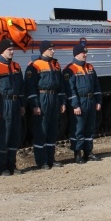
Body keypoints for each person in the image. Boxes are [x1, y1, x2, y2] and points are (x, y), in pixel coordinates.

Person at [0, 38, 25, 176]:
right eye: (10, 49)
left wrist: (21, 104)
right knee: (3, 136)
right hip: (3, 104)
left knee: (14, 135)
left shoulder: (17, 66)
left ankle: (12, 165)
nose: (12, 52)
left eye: (13, 49)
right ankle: (1, 168)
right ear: (2, 50)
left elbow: (20, 88)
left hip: (14, 104)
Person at [24, 40, 66, 169]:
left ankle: (51, 159)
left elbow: (61, 86)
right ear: (43, 50)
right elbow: (30, 87)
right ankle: (41, 161)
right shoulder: (34, 66)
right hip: (42, 98)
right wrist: (35, 105)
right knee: (41, 130)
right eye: (50, 49)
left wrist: (62, 102)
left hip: (54, 98)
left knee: (53, 130)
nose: (53, 51)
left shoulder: (56, 65)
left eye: (53, 49)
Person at [63, 43, 103, 163]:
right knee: (78, 128)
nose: (85, 55)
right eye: (83, 53)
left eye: (86, 53)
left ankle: (88, 151)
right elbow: (70, 90)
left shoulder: (90, 68)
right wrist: (75, 105)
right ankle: (77, 153)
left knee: (90, 127)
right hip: (80, 102)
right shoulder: (69, 70)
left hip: (90, 101)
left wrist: (98, 101)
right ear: (76, 54)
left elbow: (96, 85)